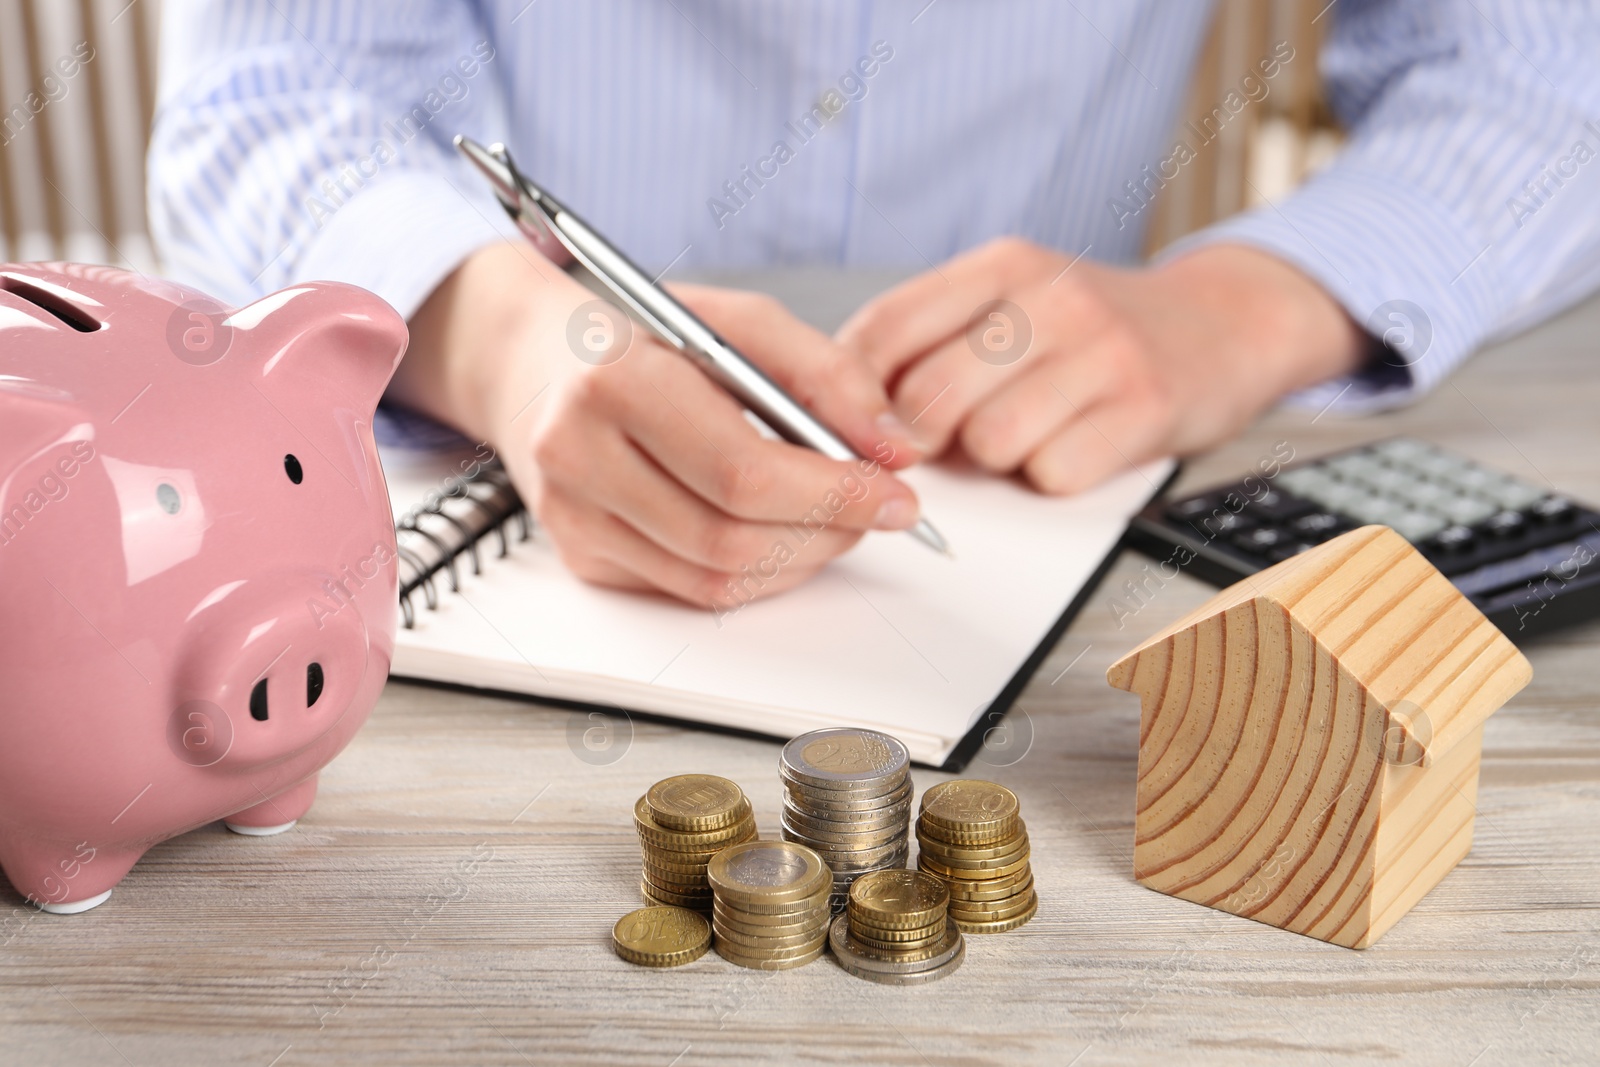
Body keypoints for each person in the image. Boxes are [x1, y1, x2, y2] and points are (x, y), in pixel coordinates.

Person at [149, 1, 1600, 608]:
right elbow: (274, 95)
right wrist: (508, 332)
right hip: (477, 445)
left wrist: (1242, 310)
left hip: (1065, 465)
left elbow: (1548, 84)